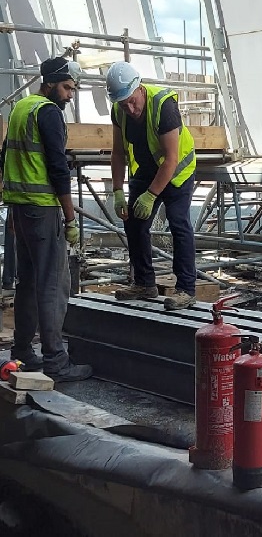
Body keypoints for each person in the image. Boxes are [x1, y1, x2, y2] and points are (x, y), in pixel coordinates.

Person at [3, 57, 92, 382]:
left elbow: (6, 156)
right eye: (67, 87)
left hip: (20, 210)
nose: (70, 95)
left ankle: (23, 351)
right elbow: (57, 168)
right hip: (42, 209)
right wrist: (70, 218)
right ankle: (56, 360)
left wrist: (11, 207)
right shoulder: (48, 112)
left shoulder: (21, 108)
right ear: (52, 82)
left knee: (27, 282)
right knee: (53, 284)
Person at [106, 61, 197, 311]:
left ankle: (186, 289)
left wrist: (151, 195)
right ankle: (145, 283)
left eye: (132, 101)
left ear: (140, 88)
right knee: (134, 221)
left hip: (176, 171)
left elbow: (171, 158)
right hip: (146, 170)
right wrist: (117, 191)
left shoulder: (163, 105)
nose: (130, 108)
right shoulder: (119, 110)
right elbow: (117, 153)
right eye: (123, 104)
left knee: (178, 223)